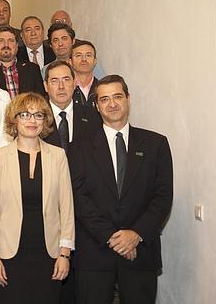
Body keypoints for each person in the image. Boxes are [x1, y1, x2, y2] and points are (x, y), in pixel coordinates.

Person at [68, 75, 173, 304]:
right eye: (104, 99)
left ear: (128, 98)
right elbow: (77, 197)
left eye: (117, 97)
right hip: (95, 253)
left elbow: (163, 196)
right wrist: (111, 237)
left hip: (141, 251)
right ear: (96, 105)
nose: (112, 104)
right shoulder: (78, 148)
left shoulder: (156, 144)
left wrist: (135, 234)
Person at [0, 92, 75, 303]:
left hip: (49, 254)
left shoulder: (58, 156)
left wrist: (64, 254)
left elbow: (67, 207)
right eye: (25, 114)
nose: (32, 120)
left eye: (38, 115)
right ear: (14, 120)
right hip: (10, 254)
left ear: (45, 121)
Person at [43, 60, 101, 152]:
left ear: (74, 83)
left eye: (66, 79)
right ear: (46, 86)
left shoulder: (93, 116)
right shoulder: (36, 118)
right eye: (54, 81)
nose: (61, 86)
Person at [0, 26, 46, 99]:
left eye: (10, 40)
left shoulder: (32, 69)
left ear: (17, 46)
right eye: (1, 40)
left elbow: (41, 100)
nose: (6, 45)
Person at [70, 40, 99, 108]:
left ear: (95, 61)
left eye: (88, 55)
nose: (84, 59)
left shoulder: (102, 89)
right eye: (78, 55)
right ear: (70, 62)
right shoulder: (65, 88)